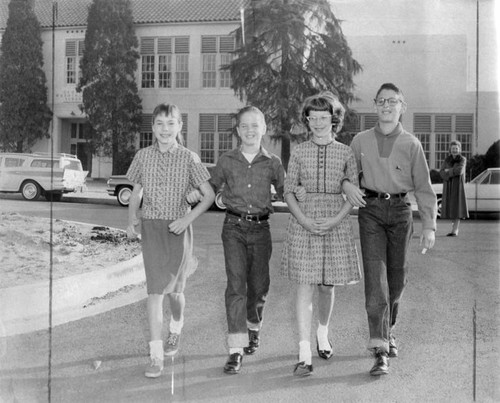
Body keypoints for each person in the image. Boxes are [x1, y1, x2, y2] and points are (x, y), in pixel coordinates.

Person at [342, 83, 437, 376]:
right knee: (376, 280)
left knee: (397, 280)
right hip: (370, 212)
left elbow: (423, 187)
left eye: (392, 101)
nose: (386, 106)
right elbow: (344, 174)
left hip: (399, 212)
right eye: (381, 101)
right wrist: (347, 185)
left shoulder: (412, 144)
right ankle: (380, 348)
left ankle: (389, 328)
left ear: (402, 107)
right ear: (374, 106)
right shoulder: (359, 140)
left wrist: (429, 226)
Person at [126, 103, 215, 378]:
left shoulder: (190, 158)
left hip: (178, 230)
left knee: (175, 293)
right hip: (151, 228)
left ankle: (176, 326)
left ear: (179, 127)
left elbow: (208, 195)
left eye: (171, 123)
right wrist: (132, 219)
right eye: (160, 124)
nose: (165, 130)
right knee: (154, 292)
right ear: (153, 127)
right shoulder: (142, 156)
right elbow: (135, 192)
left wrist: (187, 219)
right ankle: (155, 356)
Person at [281, 92, 361, 377]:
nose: (316, 123)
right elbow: (289, 190)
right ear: (307, 119)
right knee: (304, 285)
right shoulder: (299, 151)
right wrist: (303, 219)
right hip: (304, 222)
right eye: (312, 118)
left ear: (334, 119)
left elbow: (352, 194)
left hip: (335, 221)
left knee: (327, 286)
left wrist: (335, 221)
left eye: (323, 118)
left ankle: (322, 333)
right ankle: (304, 353)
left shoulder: (346, 151)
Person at [210, 105, 285, 375]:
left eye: (256, 125)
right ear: (238, 131)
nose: (250, 130)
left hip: (261, 229)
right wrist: (192, 196)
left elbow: (289, 192)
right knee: (235, 286)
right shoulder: (227, 160)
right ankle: (236, 348)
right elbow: (210, 187)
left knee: (259, 286)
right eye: (245, 126)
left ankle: (254, 325)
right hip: (233, 227)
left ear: (264, 129)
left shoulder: (273, 163)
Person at [439, 140, 468, 236]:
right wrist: (450, 172)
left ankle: (455, 230)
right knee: (450, 207)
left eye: (456, 148)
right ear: (450, 150)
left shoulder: (462, 159)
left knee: (457, 207)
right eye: (453, 148)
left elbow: (459, 171)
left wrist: (449, 171)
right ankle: (454, 228)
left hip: (457, 186)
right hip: (448, 186)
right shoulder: (446, 160)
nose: (455, 150)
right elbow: (442, 172)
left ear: (459, 149)